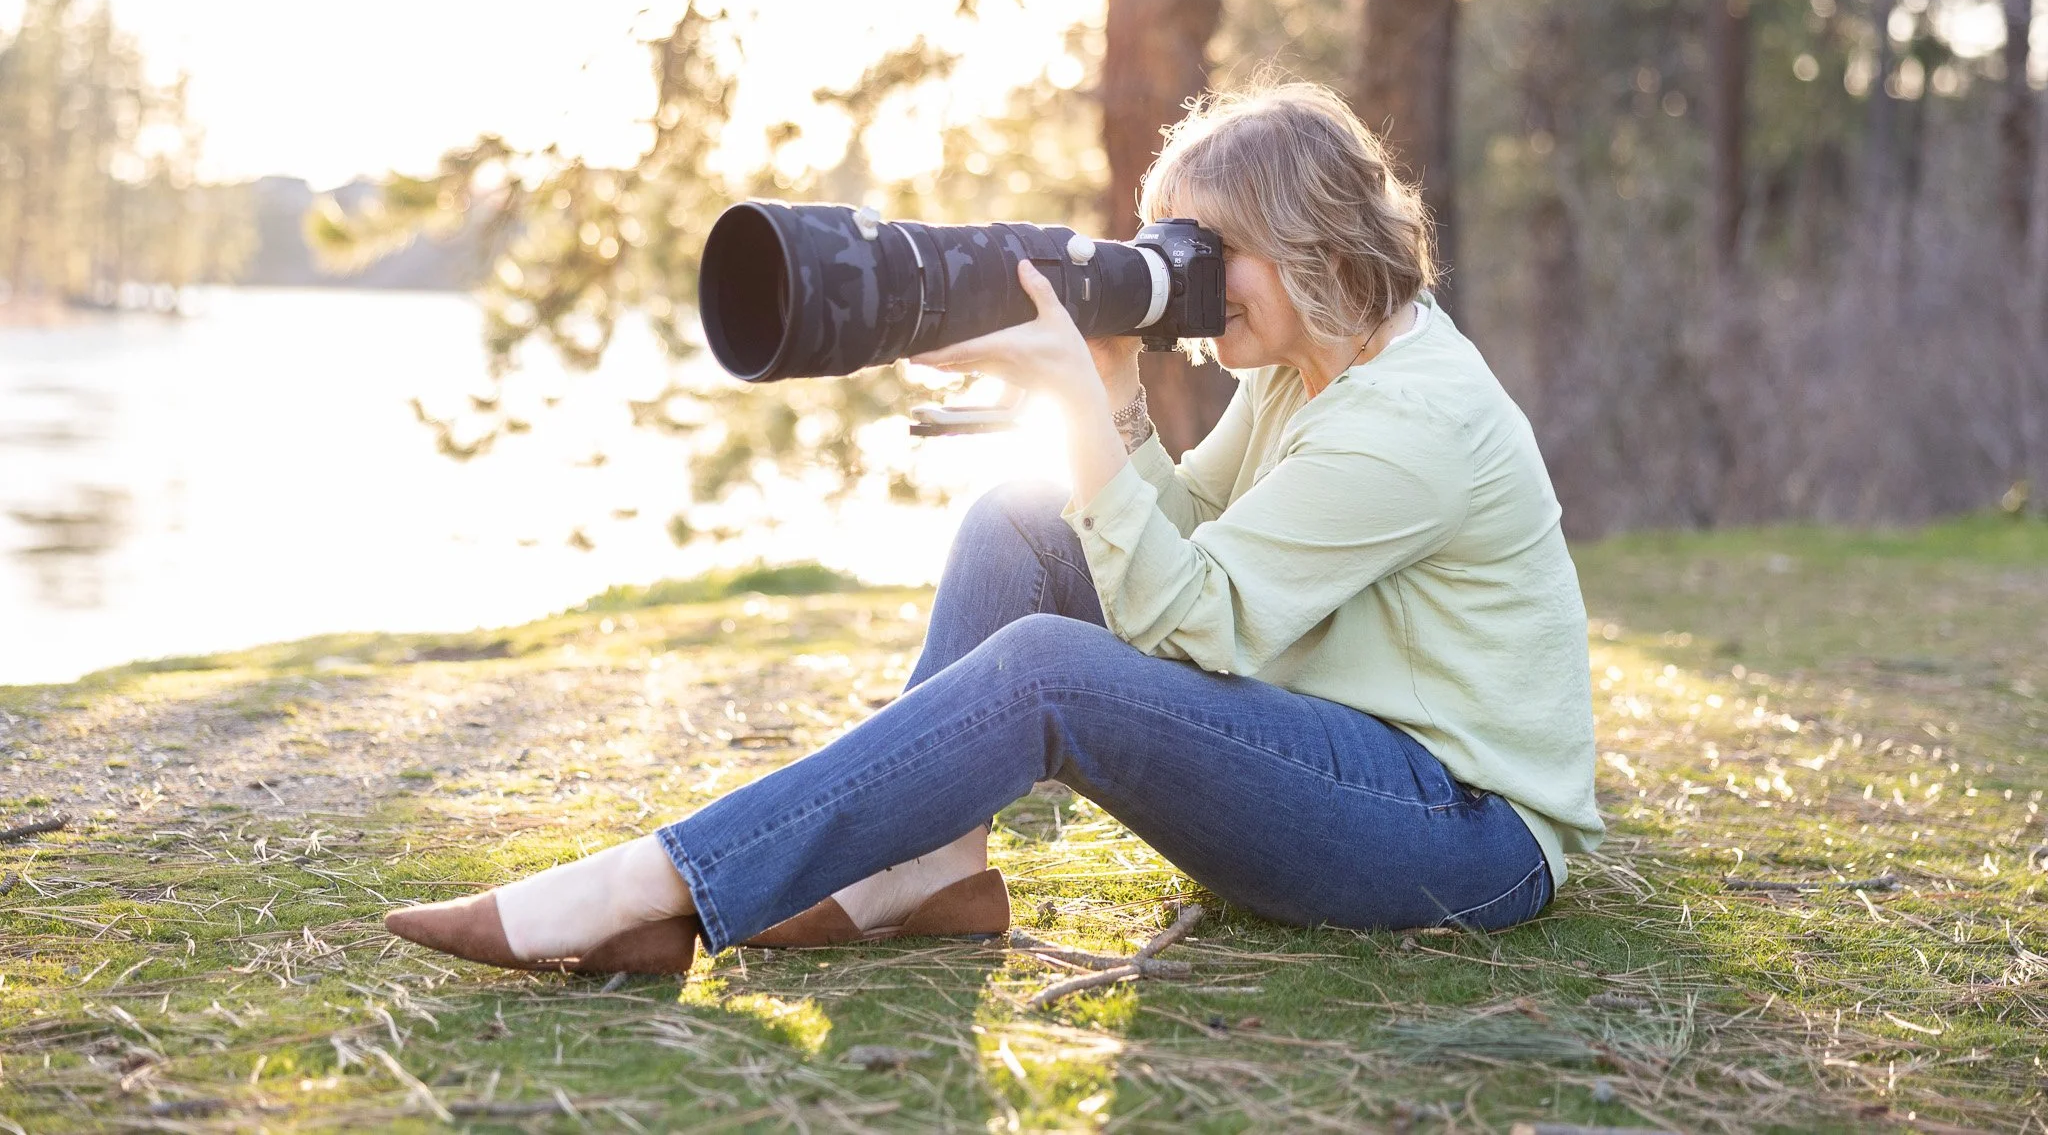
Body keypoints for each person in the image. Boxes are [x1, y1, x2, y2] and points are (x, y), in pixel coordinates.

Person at [383, 82, 1604, 977]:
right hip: (1342, 752)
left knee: (1046, 678)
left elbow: (1193, 623)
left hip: (1461, 832)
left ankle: (654, 885)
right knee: (1023, 521)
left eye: (1207, 249)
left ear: (1311, 241)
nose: (1179, 274)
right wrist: (1116, 393)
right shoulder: (1307, 366)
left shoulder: (1409, 421)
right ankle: (923, 873)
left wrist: (1079, 414)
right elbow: (1184, 537)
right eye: (1169, 242)